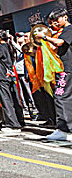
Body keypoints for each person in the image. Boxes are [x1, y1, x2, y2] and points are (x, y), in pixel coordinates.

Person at [35, 8, 72, 140]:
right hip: (65, 69)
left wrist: (44, 37)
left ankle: (64, 130)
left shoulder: (68, 30)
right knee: (65, 97)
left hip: (66, 69)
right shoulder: (62, 32)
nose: (54, 24)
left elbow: (60, 43)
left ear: (65, 17)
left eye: (56, 20)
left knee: (60, 96)